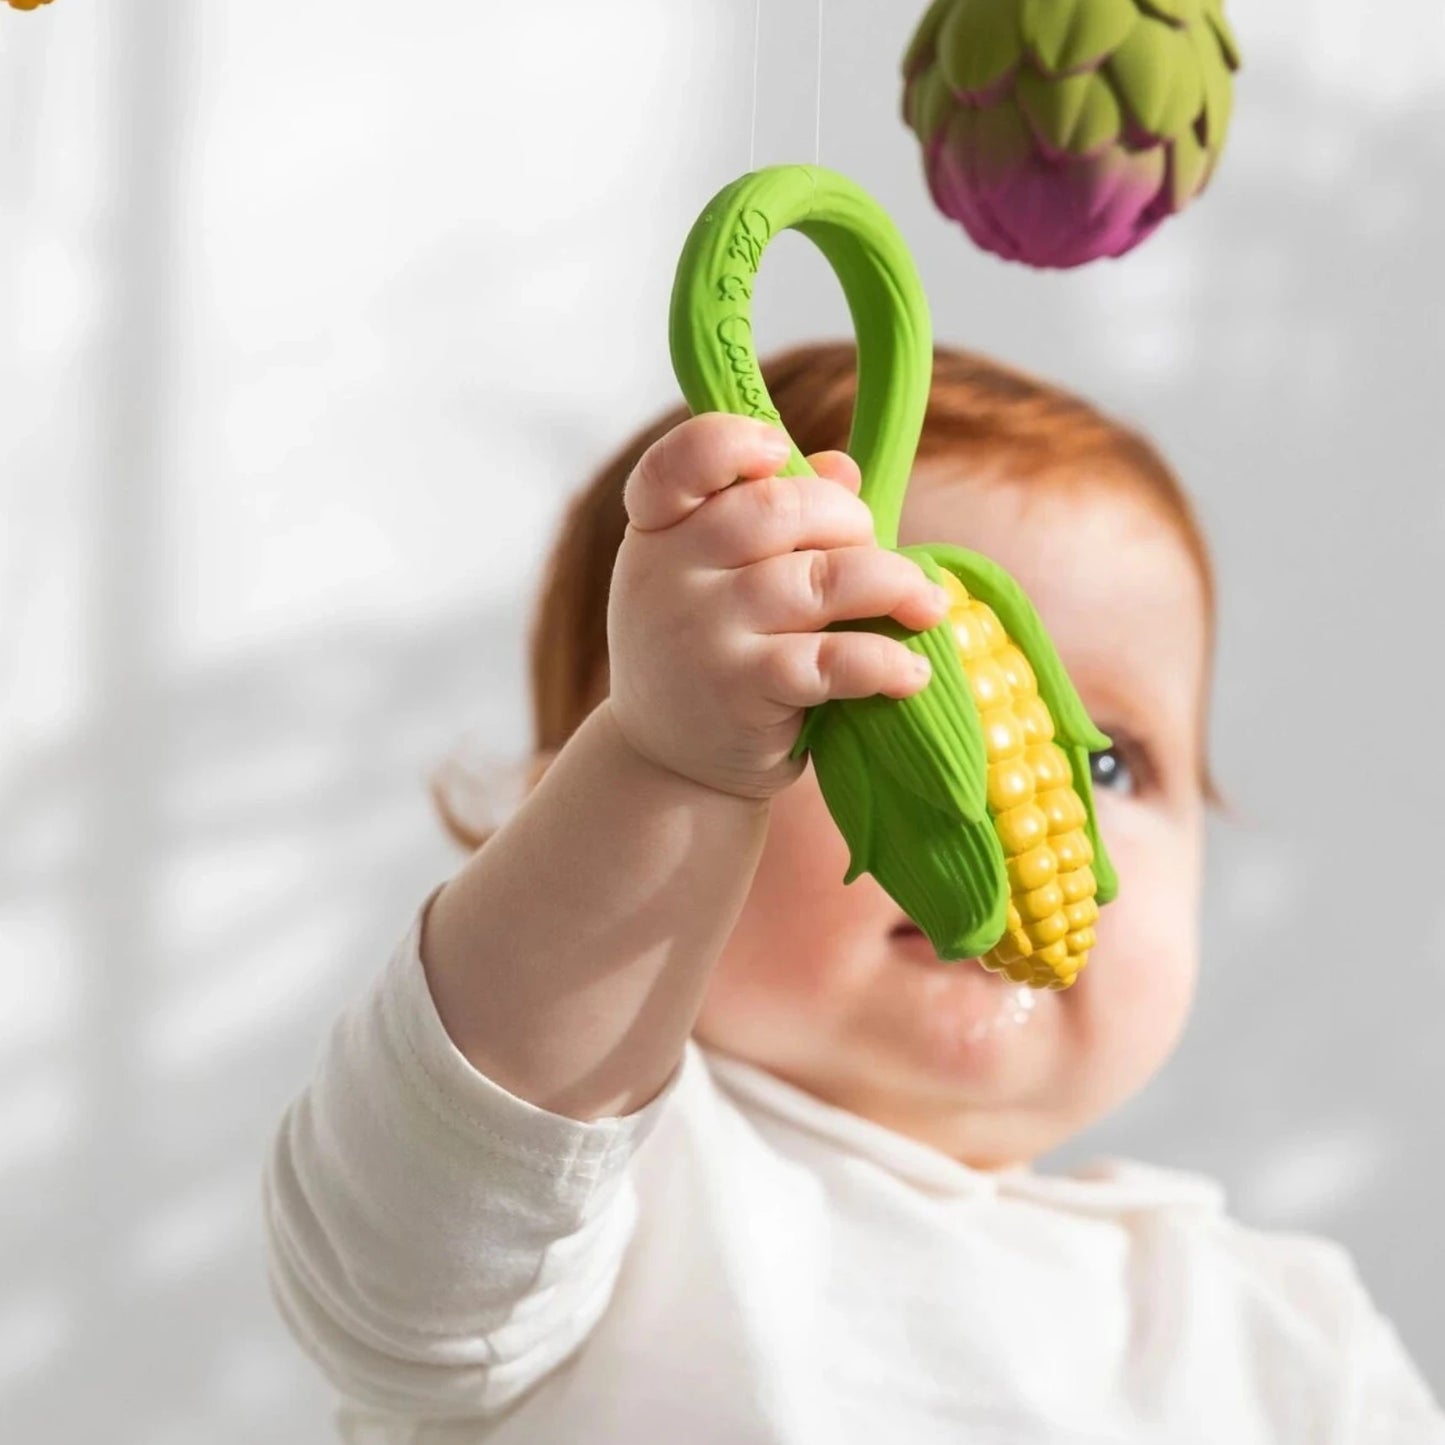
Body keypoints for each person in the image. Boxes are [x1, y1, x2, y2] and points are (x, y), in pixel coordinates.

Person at [262, 342, 1444, 1443]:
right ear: (566, 811)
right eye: (874, 700)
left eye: (1106, 762)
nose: (996, 794)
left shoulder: (1289, 1341)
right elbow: (415, 1226)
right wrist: (662, 766)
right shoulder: (586, 1212)